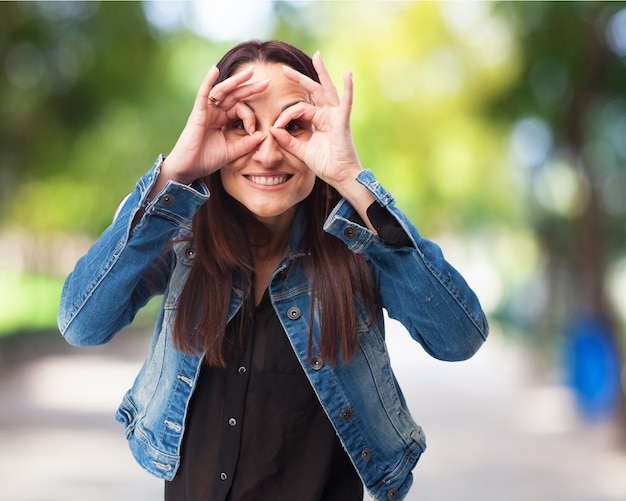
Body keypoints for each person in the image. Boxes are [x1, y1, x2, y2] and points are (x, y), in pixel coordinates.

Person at [58, 40, 488, 501]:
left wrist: (350, 179)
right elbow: (82, 324)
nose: (267, 153)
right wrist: (175, 174)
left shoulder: (361, 244)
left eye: (293, 126)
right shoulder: (181, 234)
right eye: (242, 125)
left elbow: (457, 337)